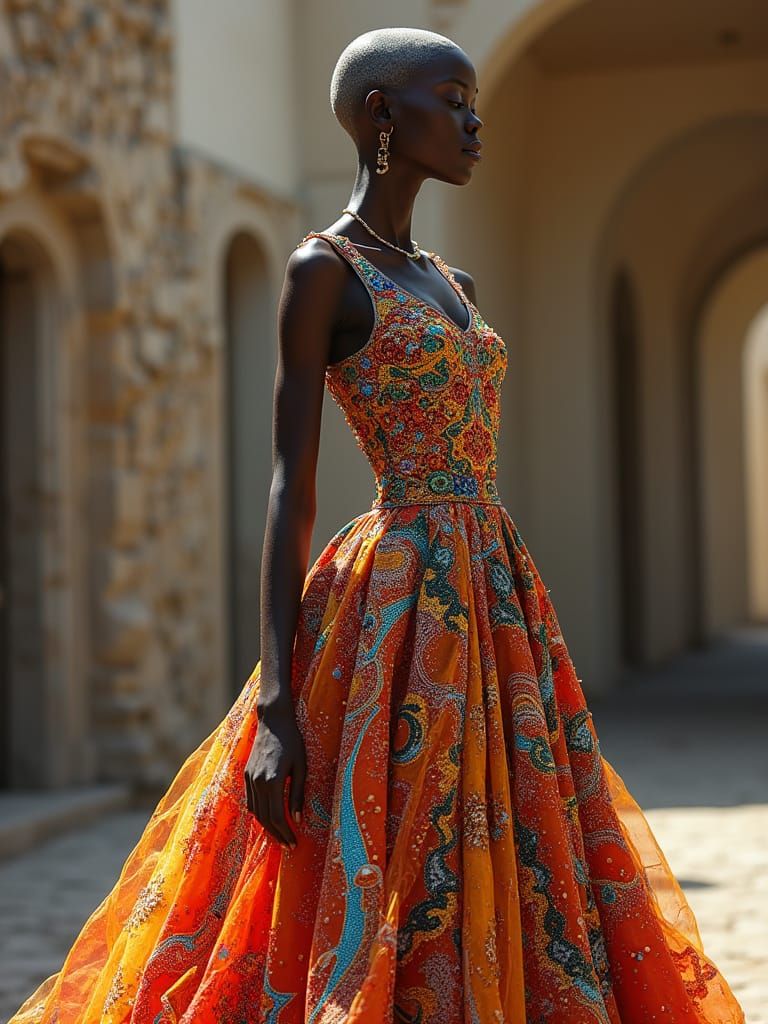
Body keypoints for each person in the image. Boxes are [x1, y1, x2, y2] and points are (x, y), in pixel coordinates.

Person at [8, 25, 746, 1024]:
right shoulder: (324, 275)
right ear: (382, 117)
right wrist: (275, 702)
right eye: (455, 99)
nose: (475, 122)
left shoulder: (454, 283)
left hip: (494, 588)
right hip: (392, 597)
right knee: (383, 838)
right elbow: (288, 484)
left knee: (519, 832)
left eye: (476, 100)